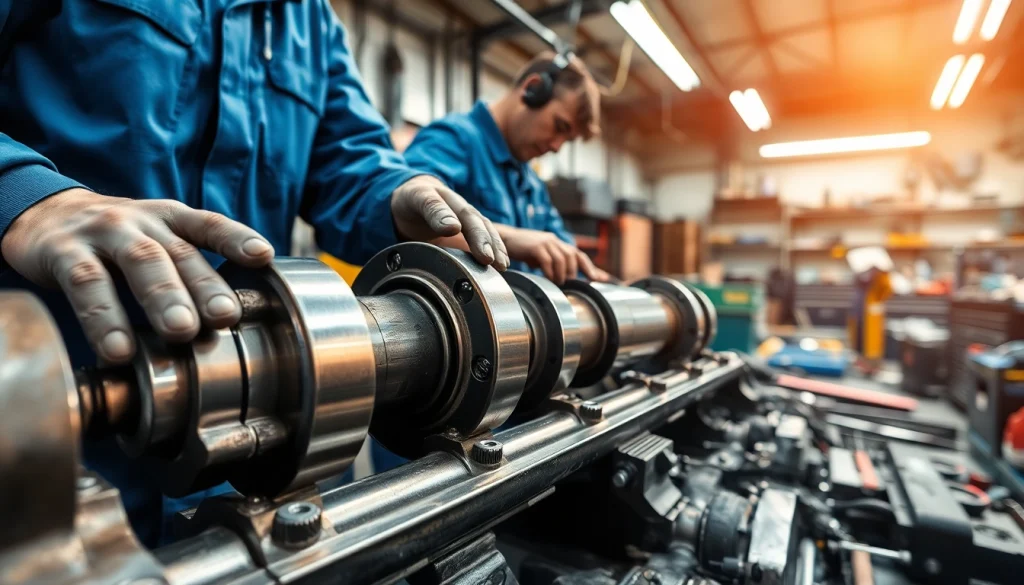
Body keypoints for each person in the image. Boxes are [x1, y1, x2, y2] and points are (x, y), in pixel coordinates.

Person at [0, 0, 508, 545]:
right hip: (44, 426)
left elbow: (347, 159)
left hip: (247, 455)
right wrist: (27, 195)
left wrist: (392, 194)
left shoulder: (308, 22)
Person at [405, 51, 609, 284]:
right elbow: (412, 223)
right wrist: (511, 239)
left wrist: (605, 283)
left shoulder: (532, 185)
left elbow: (566, 255)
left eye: (567, 140)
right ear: (533, 89)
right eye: (559, 126)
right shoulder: (452, 140)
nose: (556, 146)